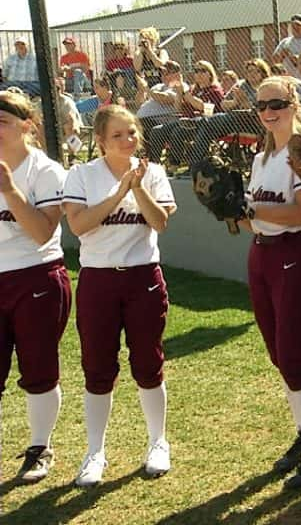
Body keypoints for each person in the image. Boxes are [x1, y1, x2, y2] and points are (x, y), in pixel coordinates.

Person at [62, 105, 177, 487]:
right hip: (98, 280)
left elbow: (159, 222)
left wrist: (138, 186)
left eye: (132, 132)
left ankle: (158, 442)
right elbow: (79, 225)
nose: (128, 140)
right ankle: (95, 451)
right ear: (99, 141)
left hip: (143, 277)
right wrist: (118, 193)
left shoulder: (153, 172)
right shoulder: (81, 174)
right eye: (117, 135)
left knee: (148, 362)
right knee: (97, 367)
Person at [238, 76, 301, 490]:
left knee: (294, 356)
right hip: (262, 253)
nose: (268, 111)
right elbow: (251, 219)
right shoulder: (263, 156)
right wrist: (232, 209)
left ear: (294, 103)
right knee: (279, 354)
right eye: (261, 105)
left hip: (294, 252)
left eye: (277, 102)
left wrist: (252, 207)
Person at [0, 90, 71, 484]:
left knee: (38, 368)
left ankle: (40, 446)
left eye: (3, 122)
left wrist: (10, 190)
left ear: (26, 125)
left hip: (35, 276)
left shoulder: (44, 171)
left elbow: (43, 233)